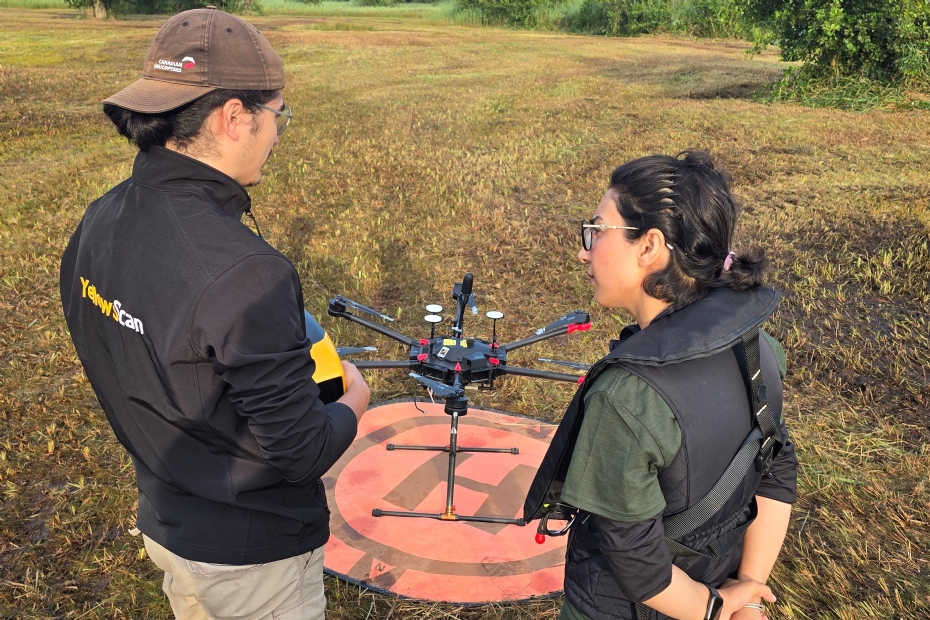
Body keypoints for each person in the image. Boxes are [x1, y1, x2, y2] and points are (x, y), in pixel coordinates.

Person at [59, 8, 370, 619]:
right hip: (248, 558)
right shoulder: (245, 273)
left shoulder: (101, 217)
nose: (279, 133)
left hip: (166, 510)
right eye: (278, 115)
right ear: (235, 116)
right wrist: (353, 399)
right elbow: (302, 452)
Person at [524, 150, 798, 620]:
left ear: (649, 246)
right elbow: (777, 463)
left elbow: (635, 558)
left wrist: (712, 609)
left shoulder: (627, 399)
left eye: (596, 231)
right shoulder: (758, 348)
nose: (583, 250)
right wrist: (747, 592)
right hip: (718, 576)